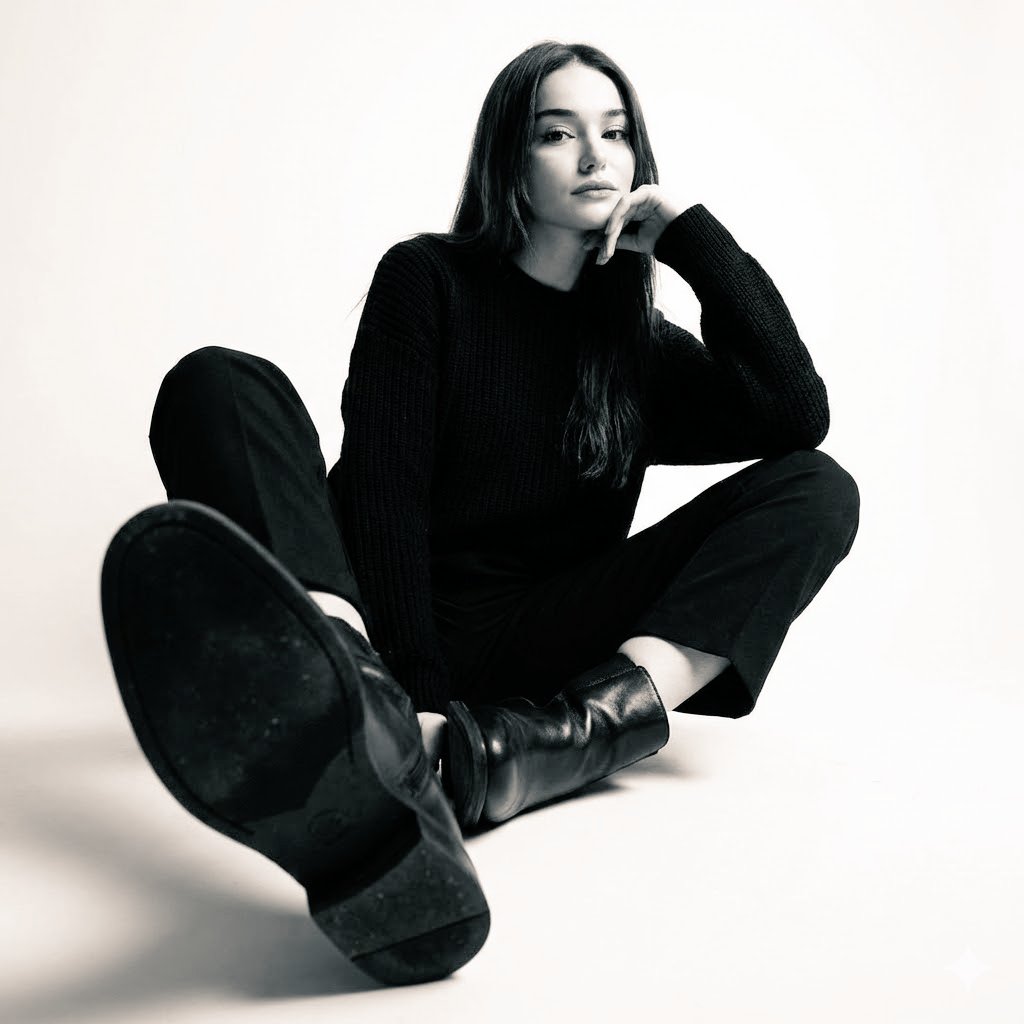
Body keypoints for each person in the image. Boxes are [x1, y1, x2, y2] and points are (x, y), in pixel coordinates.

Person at [101, 40, 860, 987]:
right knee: (219, 383)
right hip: (378, 625)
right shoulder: (429, 282)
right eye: (559, 133)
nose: (596, 157)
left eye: (616, 134)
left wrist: (694, 237)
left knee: (818, 488)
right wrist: (407, 702)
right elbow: (384, 496)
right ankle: (342, 697)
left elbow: (796, 415)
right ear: (511, 157)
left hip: (528, 658)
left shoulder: (634, 346)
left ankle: (574, 739)